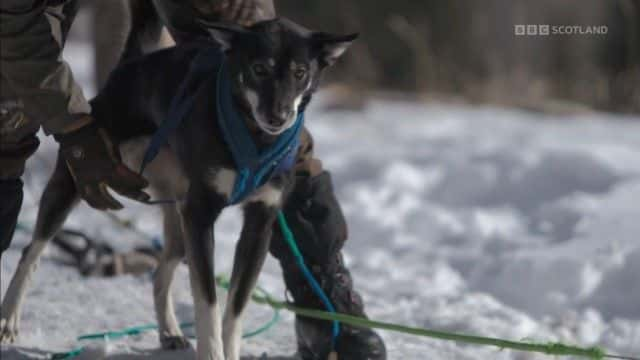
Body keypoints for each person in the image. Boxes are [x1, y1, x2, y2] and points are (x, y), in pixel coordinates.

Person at [0, 1, 387, 358]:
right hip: (118, 81)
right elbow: (17, 28)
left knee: (268, 65)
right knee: (7, 116)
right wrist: (77, 132)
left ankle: (322, 299)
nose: (279, 104)